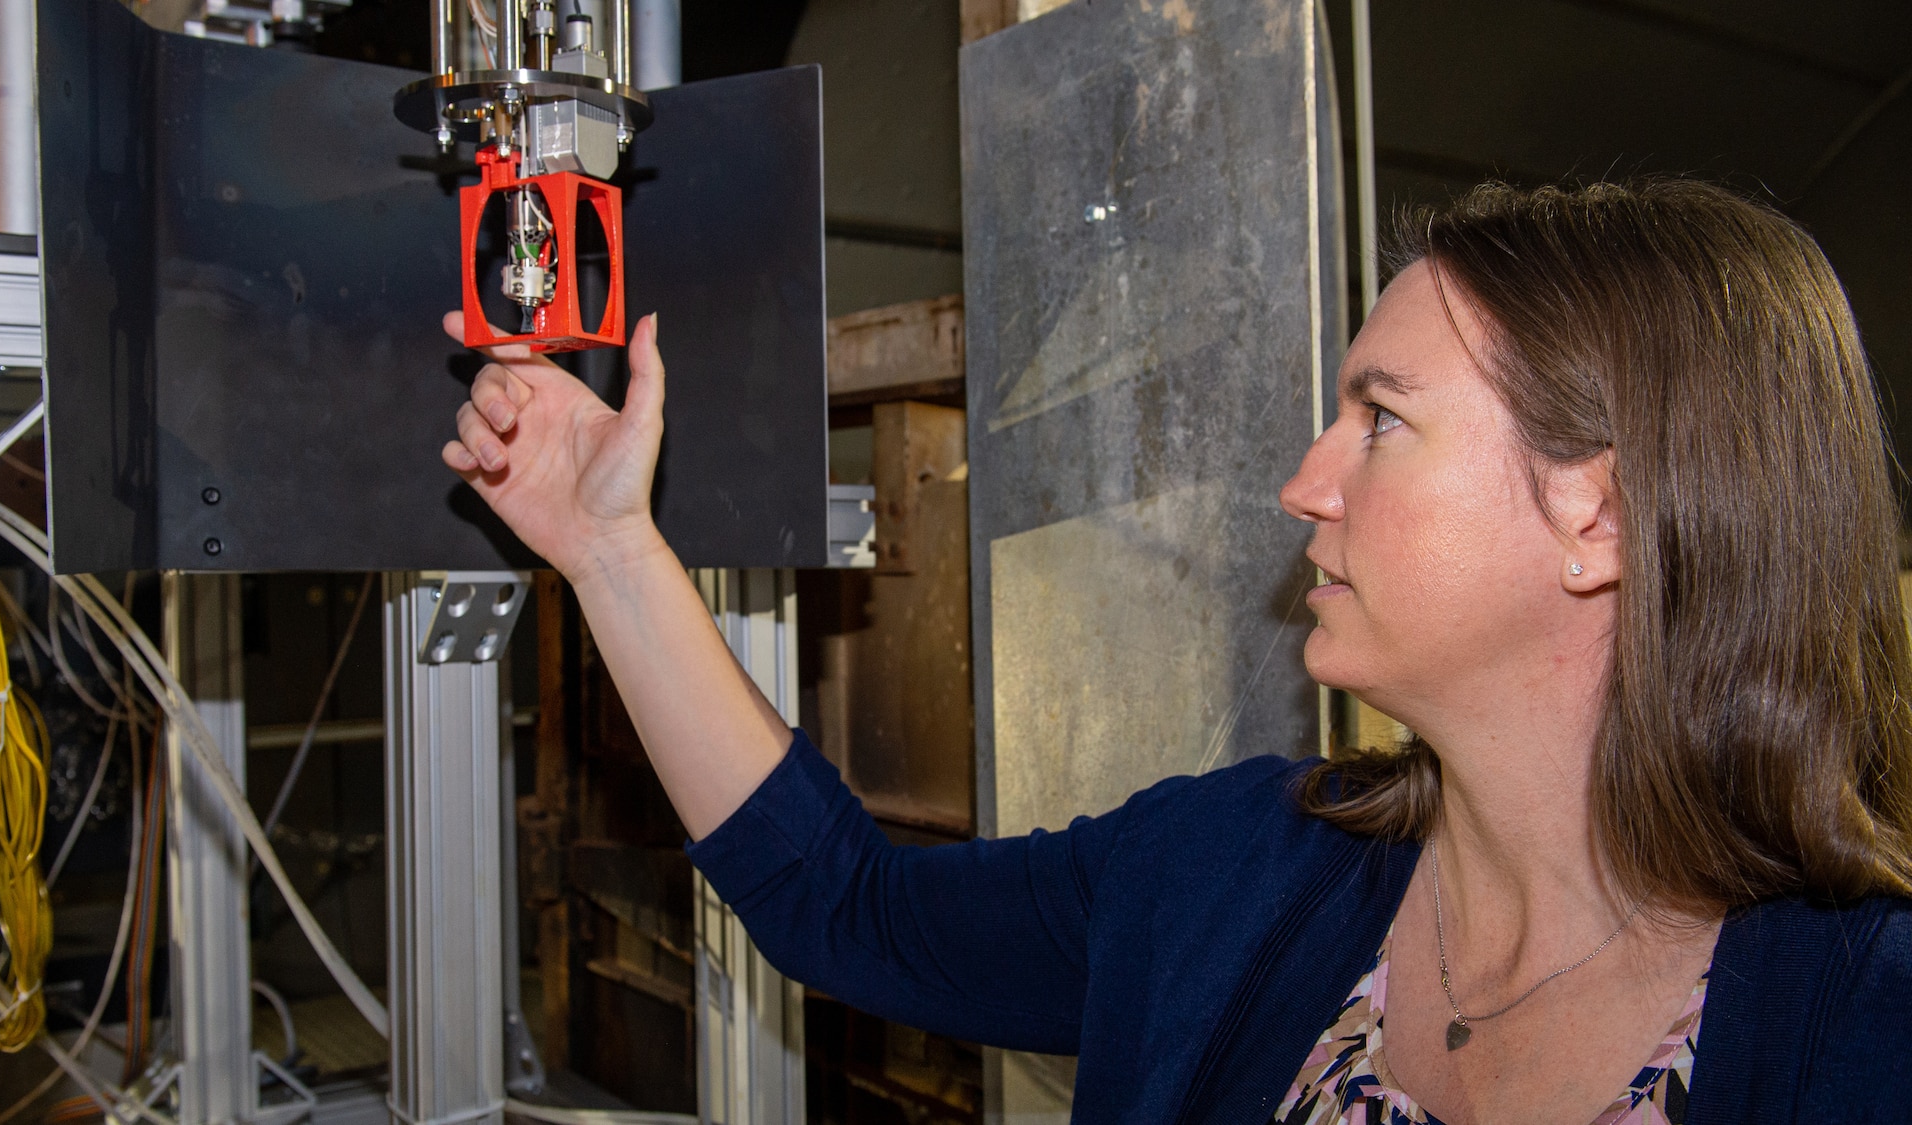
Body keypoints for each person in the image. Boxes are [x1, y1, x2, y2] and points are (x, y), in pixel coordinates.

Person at [441, 180, 1912, 1124]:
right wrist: (608, 546)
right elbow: (849, 906)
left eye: (1382, 418)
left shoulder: (1862, 1022)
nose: (1307, 480)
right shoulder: (1231, 869)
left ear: (1595, 517)